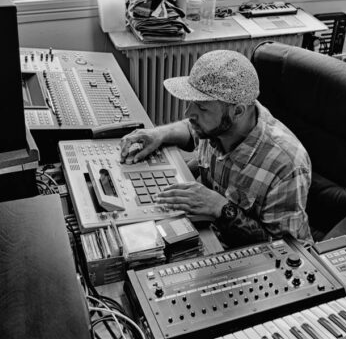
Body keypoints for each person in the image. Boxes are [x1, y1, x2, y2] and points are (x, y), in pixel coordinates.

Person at [119, 50, 312, 247]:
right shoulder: (216, 124)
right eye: (192, 103)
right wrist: (159, 134)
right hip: (209, 234)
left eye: (202, 108)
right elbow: (190, 128)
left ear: (237, 111)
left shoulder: (286, 164)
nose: (189, 113)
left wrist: (220, 208)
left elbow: (287, 251)